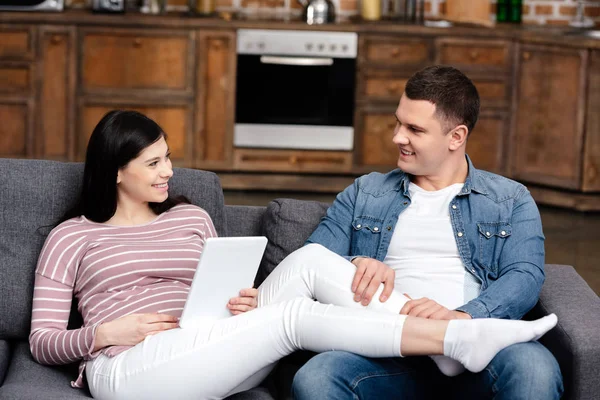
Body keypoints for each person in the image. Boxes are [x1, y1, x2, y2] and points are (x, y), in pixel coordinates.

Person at [29, 110, 558, 400]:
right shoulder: (72, 237)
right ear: (116, 170)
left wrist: (241, 301)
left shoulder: (191, 217)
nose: (169, 171)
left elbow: (218, 289)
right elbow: (42, 342)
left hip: (212, 341)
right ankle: (455, 339)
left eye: (169, 158)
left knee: (307, 263)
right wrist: (104, 334)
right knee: (292, 321)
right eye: (153, 162)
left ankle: (452, 337)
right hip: (130, 367)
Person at [291, 65, 564, 399]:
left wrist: (463, 316)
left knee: (534, 370)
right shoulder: (366, 192)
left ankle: (457, 340)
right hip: (386, 355)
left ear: (456, 137)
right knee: (317, 377)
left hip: (481, 354)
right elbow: (311, 261)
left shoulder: (509, 199)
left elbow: (525, 275)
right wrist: (358, 261)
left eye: (414, 129)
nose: (397, 137)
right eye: (398, 122)